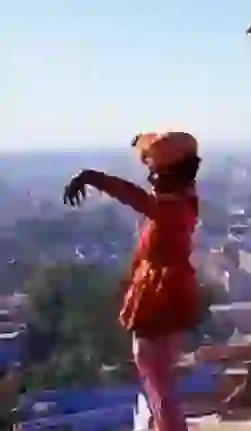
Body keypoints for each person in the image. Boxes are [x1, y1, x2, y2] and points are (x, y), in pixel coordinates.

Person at [62, 132, 203, 431]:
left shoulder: (170, 209)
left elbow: (131, 195)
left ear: (172, 176)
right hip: (167, 287)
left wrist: (91, 177)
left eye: (156, 172)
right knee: (157, 372)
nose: (151, 178)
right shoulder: (184, 200)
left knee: (154, 373)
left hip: (159, 291)